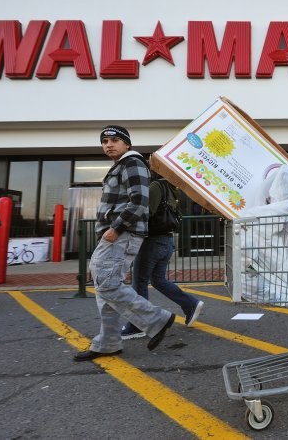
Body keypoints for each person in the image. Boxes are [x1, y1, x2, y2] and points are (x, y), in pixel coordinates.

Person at [74, 125, 175, 361]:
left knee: (108, 285)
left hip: (121, 234)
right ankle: (108, 343)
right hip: (115, 234)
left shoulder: (132, 163)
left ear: (126, 144)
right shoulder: (120, 166)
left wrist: (116, 228)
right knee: (104, 290)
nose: (108, 144)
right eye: (105, 141)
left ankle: (157, 319)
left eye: (114, 140)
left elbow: (139, 201)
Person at [121, 168, 204, 339]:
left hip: (152, 241)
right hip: (166, 241)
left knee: (139, 283)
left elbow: (145, 213)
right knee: (157, 279)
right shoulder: (172, 189)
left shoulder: (155, 186)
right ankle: (190, 304)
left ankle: (139, 325)